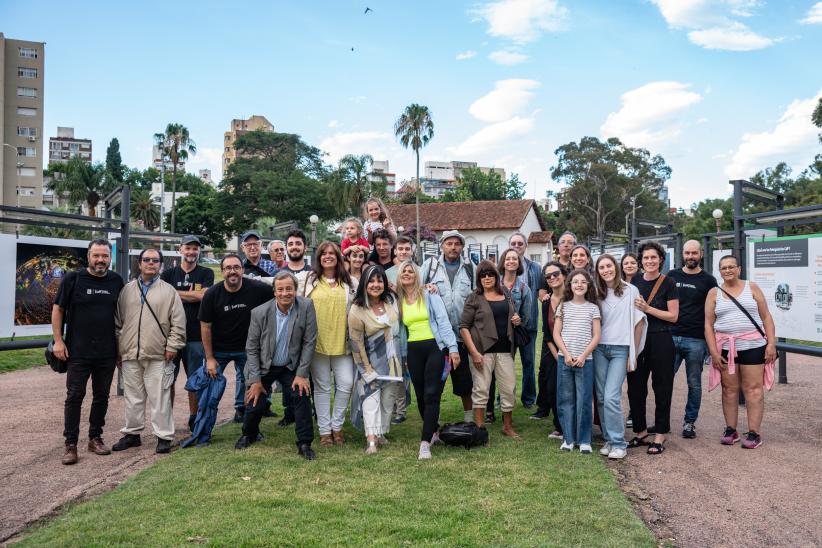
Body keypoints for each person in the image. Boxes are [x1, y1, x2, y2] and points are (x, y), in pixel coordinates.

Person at [52, 239, 124, 465]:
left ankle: (95, 438)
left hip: (107, 352)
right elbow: (58, 310)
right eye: (96, 256)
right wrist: (58, 341)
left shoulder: (116, 281)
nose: (101, 260)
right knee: (74, 396)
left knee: (101, 397)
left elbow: (121, 317)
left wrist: (120, 351)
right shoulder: (73, 279)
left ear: (109, 257)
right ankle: (70, 444)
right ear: (89, 256)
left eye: (105, 256)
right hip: (78, 352)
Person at [234, 271, 318, 460]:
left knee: (301, 394)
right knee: (255, 401)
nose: (285, 293)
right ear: (274, 292)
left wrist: (302, 374)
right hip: (265, 366)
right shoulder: (259, 313)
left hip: (290, 365)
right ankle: (249, 434)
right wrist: (255, 380)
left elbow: (309, 342)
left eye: (289, 289)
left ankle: (304, 443)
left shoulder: (306, 307)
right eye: (280, 289)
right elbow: (252, 348)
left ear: (296, 290)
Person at [112, 248, 186, 454]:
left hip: (159, 354)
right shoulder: (127, 290)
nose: (150, 263)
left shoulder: (168, 291)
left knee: (159, 397)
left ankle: (163, 436)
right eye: (147, 260)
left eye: (155, 260)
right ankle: (132, 434)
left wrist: (172, 346)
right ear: (139, 263)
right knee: (132, 397)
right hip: (130, 354)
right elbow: (118, 322)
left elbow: (178, 323)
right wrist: (119, 349)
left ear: (160, 264)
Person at [705, 255, 776, 449]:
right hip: (726, 348)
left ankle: (754, 433)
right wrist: (713, 351)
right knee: (729, 389)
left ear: (739, 269)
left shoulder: (751, 287)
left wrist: (771, 344)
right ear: (719, 272)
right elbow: (708, 324)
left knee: (753, 389)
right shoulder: (714, 293)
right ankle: (731, 429)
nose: (727, 270)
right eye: (723, 268)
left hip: (753, 345)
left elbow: (766, 317)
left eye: (731, 267)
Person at [199, 254, 273, 425]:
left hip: (248, 349)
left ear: (242, 270)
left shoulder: (258, 289)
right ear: (222, 271)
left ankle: (250, 429)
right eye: (228, 268)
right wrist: (209, 358)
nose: (232, 272)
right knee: (209, 390)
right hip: (218, 350)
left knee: (253, 389)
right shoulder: (212, 294)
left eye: (236, 267)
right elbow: (205, 326)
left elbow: (280, 294)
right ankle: (203, 430)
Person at [396, 260, 460, 459]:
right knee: (421, 396)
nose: (407, 274)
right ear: (399, 275)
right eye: (403, 271)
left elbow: (442, 320)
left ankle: (424, 444)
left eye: (410, 271)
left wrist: (453, 348)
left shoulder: (429, 294)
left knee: (432, 394)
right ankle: (433, 432)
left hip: (434, 347)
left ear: (417, 274)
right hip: (413, 351)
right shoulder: (397, 299)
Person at [459, 260, 523, 440]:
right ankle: (480, 429)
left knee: (509, 389)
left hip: (505, 350)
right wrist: (474, 353)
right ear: (479, 278)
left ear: (496, 276)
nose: (487, 278)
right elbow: (464, 327)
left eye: (490, 274)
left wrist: (516, 319)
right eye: (483, 275)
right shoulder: (474, 297)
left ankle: (507, 426)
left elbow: (512, 315)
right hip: (482, 351)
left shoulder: (506, 294)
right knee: (481, 390)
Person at [593, 255, 647, 460]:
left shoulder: (630, 290)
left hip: (620, 349)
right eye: (601, 267)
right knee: (600, 397)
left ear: (615, 267)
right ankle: (608, 439)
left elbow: (639, 323)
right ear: (597, 271)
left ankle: (618, 443)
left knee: (611, 396)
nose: (606, 270)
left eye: (609, 266)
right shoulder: (595, 292)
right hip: (599, 349)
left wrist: (633, 354)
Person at [303, 241, 356, 447]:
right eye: (323, 253)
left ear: (338, 257)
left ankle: (337, 426)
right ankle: (325, 431)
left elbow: (367, 298)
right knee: (322, 387)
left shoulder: (350, 281)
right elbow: (279, 281)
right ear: (318, 257)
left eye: (332, 253)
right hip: (317, 344)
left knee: (346, 384)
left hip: (343, 344)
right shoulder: (309, 279)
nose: (327, 256)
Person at [628, 241, 679, 455]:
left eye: (653, 258)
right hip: (639, 339)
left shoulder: (669, 283)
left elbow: (673, 316)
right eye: (646, 258)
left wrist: (648, 309)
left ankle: (660, 433)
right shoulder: (635, 281)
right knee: (635, 387)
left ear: (660, 260)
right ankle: (640, 432)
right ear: (641, 261)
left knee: (662, 387)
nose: (649, 261)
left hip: (661, 339)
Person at [161, 235, 214, 430]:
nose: (191, 252)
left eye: (195, 248)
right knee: (169, 380)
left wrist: (175, 293)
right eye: (188, 248)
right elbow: (163, 297)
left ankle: (194, 417)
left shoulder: (206, 272)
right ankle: (166, 419)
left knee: (195, 379)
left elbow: (203, 296)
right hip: (171, 337)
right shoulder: (168, 274)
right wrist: (191, 295)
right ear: (180, 250)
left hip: (196, 336)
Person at [348, 265, 403, 454]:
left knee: (388, 400)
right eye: (371, 280)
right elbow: (356, 343)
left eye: (379, 280)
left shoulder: (391, 301)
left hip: (393, 361)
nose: (376, 284)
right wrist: (366, 368)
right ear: (364, 283)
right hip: (369, 361)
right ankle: (371, 440)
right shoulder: (357, 309)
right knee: (371, 399)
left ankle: (381, 433)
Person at [421, 230, 475, 422]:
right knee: (436, 382)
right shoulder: (430, 266)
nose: (453, 247)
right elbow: (416, 291)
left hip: (462, 336)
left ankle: (469, 420)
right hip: (438, 339)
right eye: (449, 243)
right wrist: (426, 288)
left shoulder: (470, 268)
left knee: (465, 382)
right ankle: (432, 421)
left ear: (462, 247)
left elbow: (477, 296)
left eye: (457, 244)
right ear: (442, 246)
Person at [668, 240, 718, 439]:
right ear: (683, 254)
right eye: (687, 253)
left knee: (694, 383)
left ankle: (690, 422)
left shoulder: (709, 281)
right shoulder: (671, 276)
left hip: (696, 340)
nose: (690, 257)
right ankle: (662, 420)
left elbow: (714, 312)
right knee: (663, 381)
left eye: (694, 253)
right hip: (670, 336)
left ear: (701, 254)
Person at [553, 269, 601, 453]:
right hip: (564, 360)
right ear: (570, 285)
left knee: (584, 400)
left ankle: (584, 440)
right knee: (566, 399)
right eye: (575, 282)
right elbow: (556, 333)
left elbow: (596, 335)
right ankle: (568, 438)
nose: (579, 285)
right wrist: (565, 354)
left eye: (583, 282)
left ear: (588, 286)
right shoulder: (563, 306)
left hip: (585, 360)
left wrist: (583, 355)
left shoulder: (593, 308)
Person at [485, 247, 531, 423]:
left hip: (511, 338)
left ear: (519, 264)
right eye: (508, 259)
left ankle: (506, 409)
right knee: (489, 374)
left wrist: (519, 321)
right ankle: (489, 411)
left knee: (506, 374)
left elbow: (527, 316)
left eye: (515, 259)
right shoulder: (494, 285)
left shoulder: (524, 288)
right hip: (492, 336)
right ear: (503, 262)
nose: (511, 261)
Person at [507, 233, 541, 410]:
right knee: (505, 364)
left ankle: (528, 399)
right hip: (507, 328)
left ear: (526, 246)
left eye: (520, 243)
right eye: (513, 243)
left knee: (528, 363)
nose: (517, 245)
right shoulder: (501, 269)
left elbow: (542, 291)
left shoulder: (535, 268)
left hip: (529, 325)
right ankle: (503, 398)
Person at [533, 262, 567, 440]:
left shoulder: (574, 297)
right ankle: (559, 426)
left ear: (563, 274)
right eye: (548, 276)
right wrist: (559, 356)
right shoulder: (546, 302)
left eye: (556, 274)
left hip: (574, 350)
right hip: (553, 351)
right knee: (552, 389)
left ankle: (573, 425)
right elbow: (546, 334)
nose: (552, 278)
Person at [384, 233, 415, 425]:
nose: (403, 252)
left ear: (412, 251)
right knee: (395, 370)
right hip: (394, 329)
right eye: (400, 249)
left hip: (413, 327)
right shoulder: (387, 274)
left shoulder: (418, 270)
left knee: (408, 370)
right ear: (395, 251)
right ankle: (399, 408)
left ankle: (406, 403)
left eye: (406, 249)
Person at [621, 251, 641, 429]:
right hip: (620, 335)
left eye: (632, 262)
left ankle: (634, 413)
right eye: (626, 263)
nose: (629, 265)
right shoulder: (616, 284)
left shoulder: (641, 284)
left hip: (637, 332)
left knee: (636, 378)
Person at [282, 229, 312, 295]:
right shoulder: (276, 274)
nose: (294, 247)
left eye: (298, 244)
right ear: (286, 248)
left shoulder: (313, 274)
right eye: (290, 244)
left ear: (305, 248)